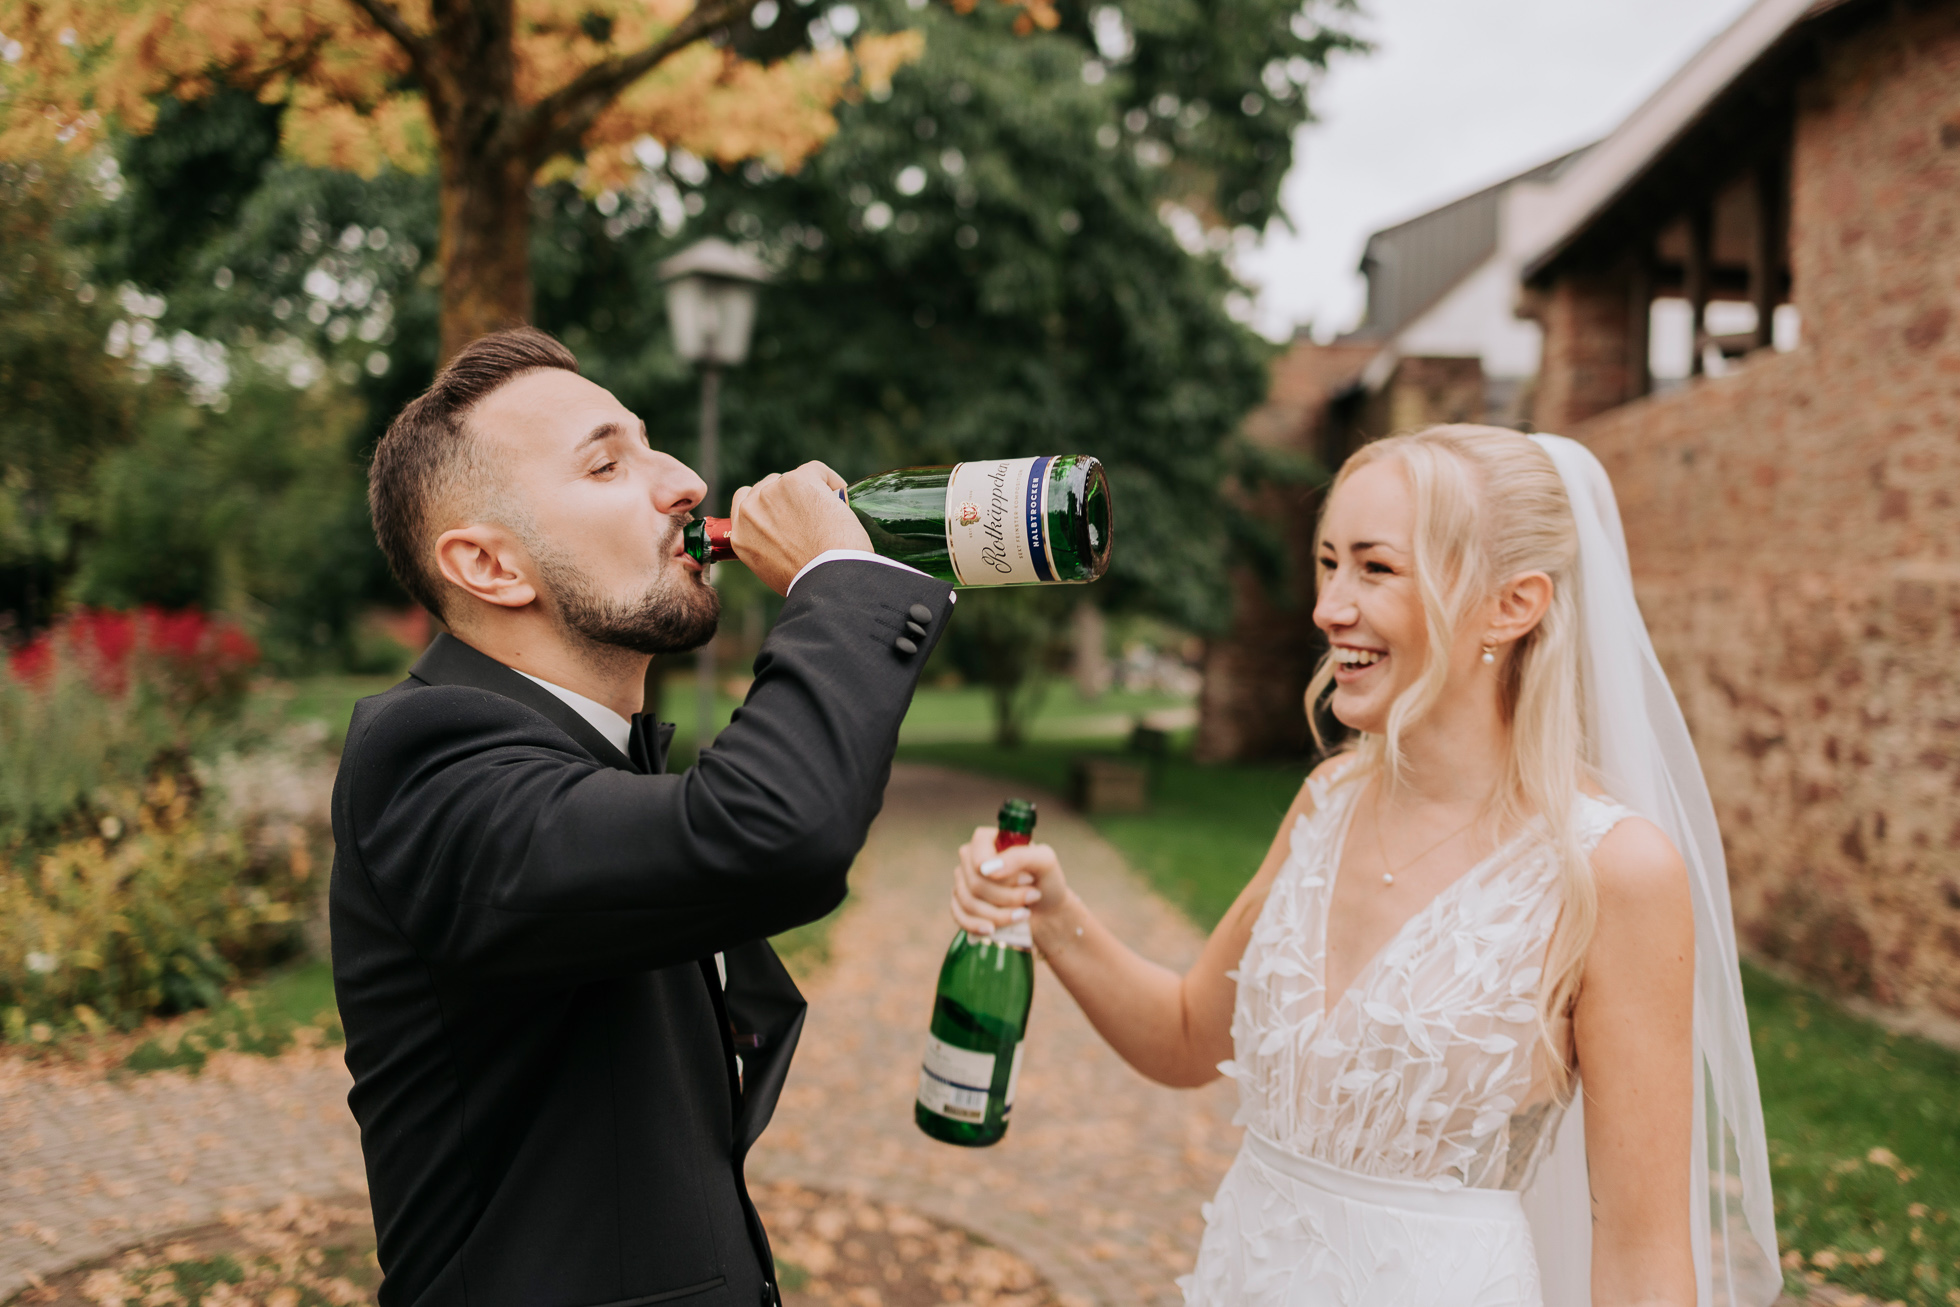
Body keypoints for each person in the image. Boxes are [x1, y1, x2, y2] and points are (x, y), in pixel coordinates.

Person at [949, 427, 1782, 1306]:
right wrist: (1054, 916)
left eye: (1376, 568)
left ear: (1513, 604)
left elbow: (1644, 1257)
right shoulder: (1328, 801)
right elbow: (1192, 1033)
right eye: (1328, 562)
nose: (1329, 607)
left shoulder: (1612, 870)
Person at [331, 327, 955, 1307]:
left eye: (652, 443)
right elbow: (771, 828)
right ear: (490, 566)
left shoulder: (593, 755)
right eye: (607, 462)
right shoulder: (427, 762)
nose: (685, 481)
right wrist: (840, 582)